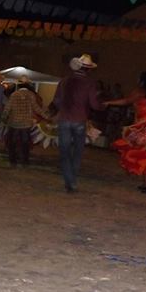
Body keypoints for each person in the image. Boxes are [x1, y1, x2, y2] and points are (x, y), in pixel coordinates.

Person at [52, 54, 101, 193]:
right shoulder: (90, 83)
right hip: (80, 119)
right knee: (78, 151)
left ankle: (69, 180)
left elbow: (56, 100)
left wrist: (64, 109)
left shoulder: (64, 81)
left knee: (65, 152)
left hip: (64, 119)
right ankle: (72, 179)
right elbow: (94, 104)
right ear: (89, 69)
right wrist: (102, 106)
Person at [1, 75, 48, 165]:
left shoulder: (14, 95)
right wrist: (46, 117)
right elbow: (36, 108)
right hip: (26, 124)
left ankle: (13, 160)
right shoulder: (31, 95)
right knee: (25, 143)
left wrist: (3, 118)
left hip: (14, 123)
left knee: (12, 142)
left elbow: (7, 108)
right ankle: (25, 161)